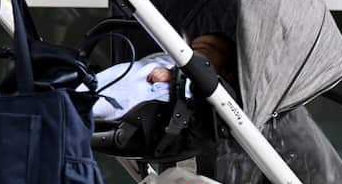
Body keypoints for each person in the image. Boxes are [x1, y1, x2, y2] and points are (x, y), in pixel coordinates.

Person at [89, 33, 235, 121]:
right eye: (194, 47)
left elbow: (198, 90)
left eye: (209, 48)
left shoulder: (211, 89)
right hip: (107, 82)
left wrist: (174, 76)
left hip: (126, 100)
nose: (198, 49)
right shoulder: (170, 57)